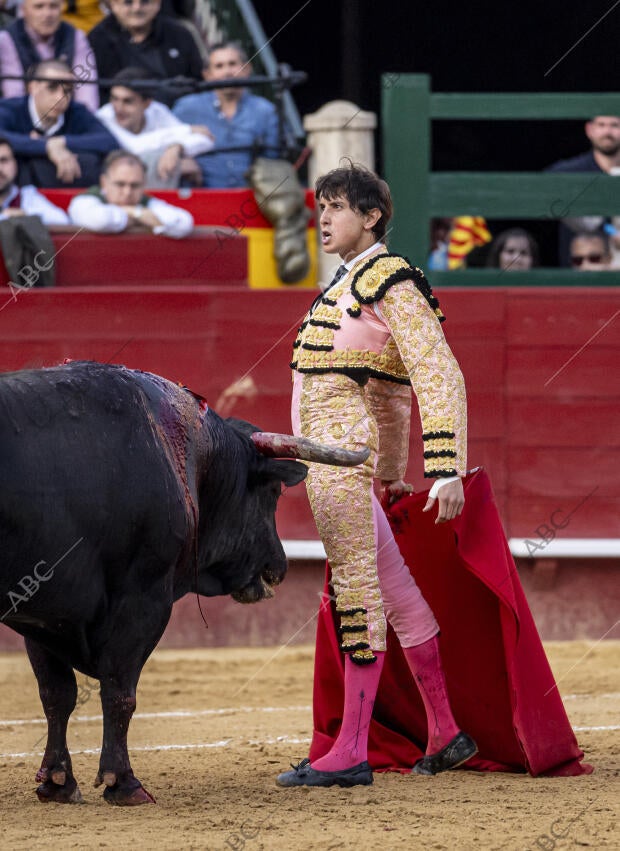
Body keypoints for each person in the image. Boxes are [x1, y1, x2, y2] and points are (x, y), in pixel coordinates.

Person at [276, 162, 477, 789]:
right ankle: (445, 732)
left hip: (340, 462)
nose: (324, 219)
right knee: (397, 592)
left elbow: (436, 372)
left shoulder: (387, 278)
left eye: (337, 207)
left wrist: (445, 469)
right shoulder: (347, 285)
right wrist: (392, 469)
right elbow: (388, 387)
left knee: (358, 589)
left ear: (372, 217)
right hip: (345, 461)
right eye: (321, 207)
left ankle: (352, 750)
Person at [172, 41, 280, 188]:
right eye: (219, 66)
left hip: (253, 197)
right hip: (199, 196)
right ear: (207, 75)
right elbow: (164, 147)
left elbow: (274, 160)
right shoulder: (186, 108)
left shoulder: (265, 110)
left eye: (232, 64)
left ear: (246, 69)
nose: (227, 72)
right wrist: (180, 161)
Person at [0, 59, 117, 188]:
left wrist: (61, 142)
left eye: (67, 90)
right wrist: (46, 146)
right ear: (33, 87)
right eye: (52, 88)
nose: (60, 97)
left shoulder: (77, 111)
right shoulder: (9, 108)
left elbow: (109, 141)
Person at [96, 67, 213, 188]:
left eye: (127, 101)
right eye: (114, 99)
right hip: (117, 187)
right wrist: (186, 130)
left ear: (146, 103)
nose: (118, 108)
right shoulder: (104, 117)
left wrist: (177, 148)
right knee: (155, 159)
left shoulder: (157, 110)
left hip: (153, 183)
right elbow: (135, 147)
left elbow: (205, 139)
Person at [87, 0, 203, 108]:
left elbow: (198, 82)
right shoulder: (96, 40)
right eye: (128, 2)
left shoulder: (179, 34)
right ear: (113, 4)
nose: (137, 8)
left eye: (145, 1)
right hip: (118, 117)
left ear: (158, 3)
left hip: (177, 114)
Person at [545, 115, 620, 265]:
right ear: (589, 129)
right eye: (601, 125)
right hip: (577, 274)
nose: (607, 132)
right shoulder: (567, 174)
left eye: (615, 125)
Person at [68, 149, 194, 237]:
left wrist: (133, 213)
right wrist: (138, 214)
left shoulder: (147, 202)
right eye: (120, 184)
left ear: (144, 183)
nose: (127, 192)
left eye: (135, 185)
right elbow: (101, 221)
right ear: (104, 182)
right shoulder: (86, 199)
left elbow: (184, 223)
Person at [0, 0, 99, 111]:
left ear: (62, 7)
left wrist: (84, 123)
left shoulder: (76, 36)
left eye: (54, 6)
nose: (47, 14)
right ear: (24, 10)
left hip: (69, 118)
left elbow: (87, 92)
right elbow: (14, 96)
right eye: (39, 7)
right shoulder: (7, 38)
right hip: (24, 120)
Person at [0, 135, 69, 224]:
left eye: (4, 160)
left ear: (15, 164)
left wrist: (26, 215)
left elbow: (62, 220)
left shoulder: (27, 196)